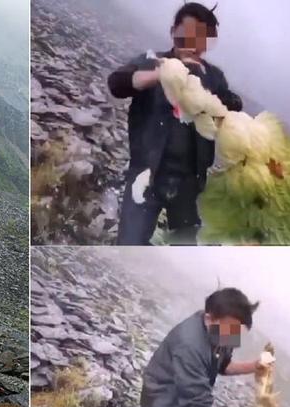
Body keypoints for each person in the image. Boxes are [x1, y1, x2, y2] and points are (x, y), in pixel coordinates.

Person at [107, 2, 243, 246]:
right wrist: (161, 75)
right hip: (147, 173)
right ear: (174, 32)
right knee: (130, 244)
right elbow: (118, 83)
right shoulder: (152, 62)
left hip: (190, 183)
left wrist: (212, 97)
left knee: (186, 244)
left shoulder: (213, 76)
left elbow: (234, 104)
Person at [139, 288, 275, 407]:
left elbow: (223, 366)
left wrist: (255, 366)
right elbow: (198, 405)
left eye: (238, 331)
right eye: (231, 329)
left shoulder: (222, 332)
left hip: (188, 400)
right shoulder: (189, 345)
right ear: (210, 318)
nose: (233, 339)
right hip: (163, 400)